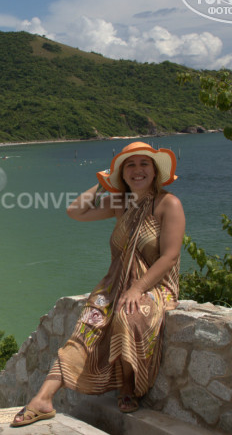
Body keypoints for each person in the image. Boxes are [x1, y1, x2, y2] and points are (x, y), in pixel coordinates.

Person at [11, 142, 185, 427]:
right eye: (130, 165)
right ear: (122, 174)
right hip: (115, 283)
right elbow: (75, 211)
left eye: (144, 164)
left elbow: (170, 256)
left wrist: (137, 288)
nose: (137, 170)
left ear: (155, 171)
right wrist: (102, 182)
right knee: (87, 324)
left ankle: (127, 386)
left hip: (155, 285)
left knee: (128, 316)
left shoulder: (169, 204)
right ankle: (43, 399)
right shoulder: (120, 203)